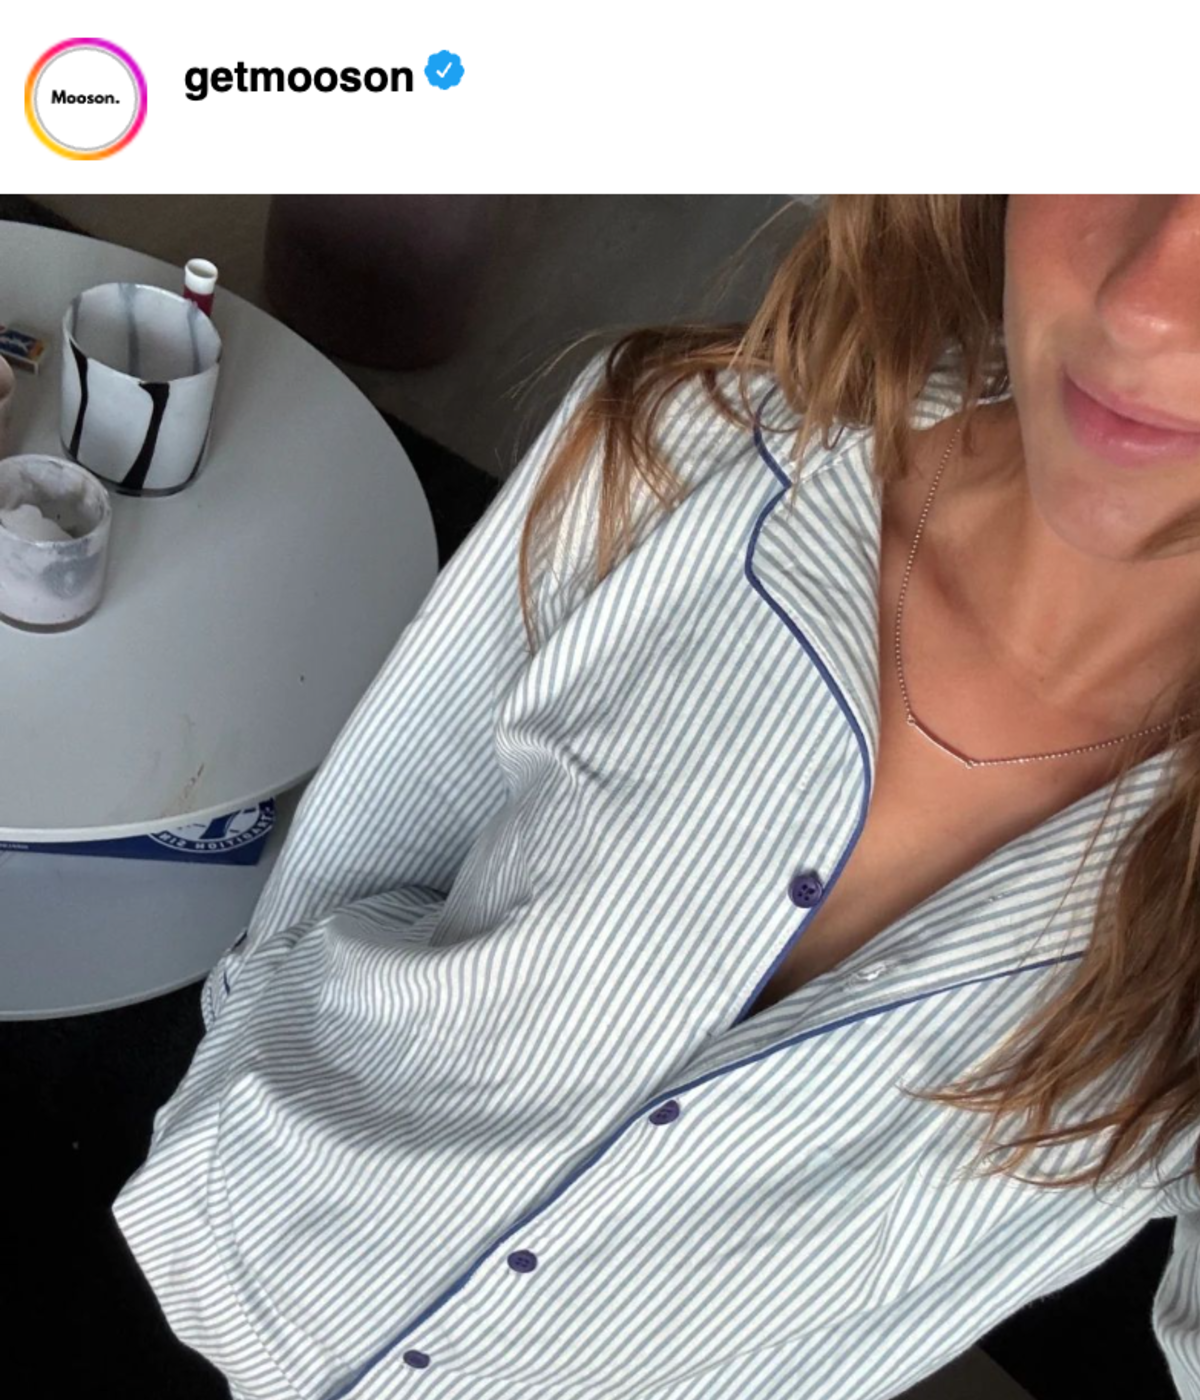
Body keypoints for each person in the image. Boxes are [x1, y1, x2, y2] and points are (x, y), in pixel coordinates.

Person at [113, 195, 1200, 1400]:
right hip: (216, 1232)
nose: (1144, 302)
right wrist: (241, 1073)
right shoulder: (698, 438)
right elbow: (373, 832)